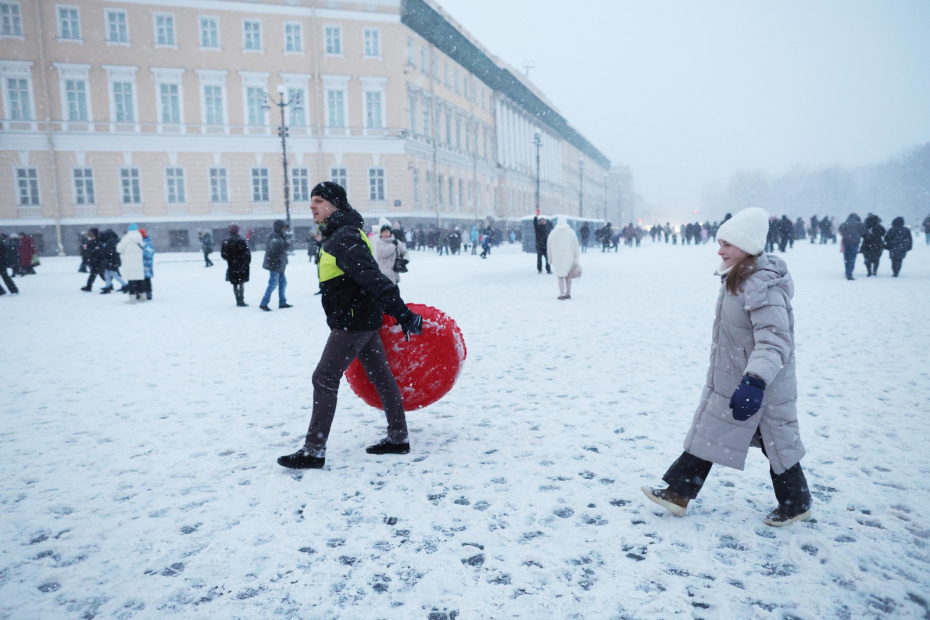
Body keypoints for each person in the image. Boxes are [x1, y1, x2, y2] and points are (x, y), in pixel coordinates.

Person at [642, 207, 812, 527]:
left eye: (726, 244)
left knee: (776, 442)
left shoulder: (761, 285)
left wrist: (756, 380)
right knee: (712, 430)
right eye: (719, 243)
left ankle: (797, 503)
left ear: (746, 247)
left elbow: (774, 341)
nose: (719, 250)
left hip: (762, 383)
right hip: (734, 377)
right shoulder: (738, 276)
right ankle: (679, 492)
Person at [277, 182, 423, 470]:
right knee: (380, 376)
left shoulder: (343, 236)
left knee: (324, 378)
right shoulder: (344, 232)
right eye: (312, 201)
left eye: (319, 200)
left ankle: (313, 450)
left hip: (353, 321)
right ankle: (398, 437)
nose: (312, 206)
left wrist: (402, 313)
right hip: (362, 317)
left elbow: (373, 277)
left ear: (335, 204)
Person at [258, 220, 291, 311]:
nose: (285, 230)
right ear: (279, 228)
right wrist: (286, 245)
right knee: (273, 284)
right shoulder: (274, 237)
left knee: (282, 283)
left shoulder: (281, 236)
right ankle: (264, 303)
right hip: (274, 264)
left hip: (280, 264)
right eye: (283, 228)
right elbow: (275, 251)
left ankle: (282, 302)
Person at [546, 219, 580, 300]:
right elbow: (576, 246)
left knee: (560, 276)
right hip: (569, 258)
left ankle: (562, 293)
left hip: (557, 258)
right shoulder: (571, 232)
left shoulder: (553, 233)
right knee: (568, 276)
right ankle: (568, 293)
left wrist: (550, 259)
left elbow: (549, 247)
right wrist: (576, 258)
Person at [221, 224, 251, 306]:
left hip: (231, 265)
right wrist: (246, 262)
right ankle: (241, 299)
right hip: (241, 264)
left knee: (234, 283)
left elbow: (223, 254)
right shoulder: (241, 240)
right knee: (241, 283)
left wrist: (230, 259)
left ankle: (237, 299)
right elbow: (246, 254)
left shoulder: (226, 241)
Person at [116, 224, 146, 302]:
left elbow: (119, 249)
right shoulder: (140, 238)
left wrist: (119, 243)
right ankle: (143, 296)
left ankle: (132, 298)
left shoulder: (126, 238)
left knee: (131, 281)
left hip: (128, 262)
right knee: (139, 280)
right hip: (138, 262)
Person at [98, 229, 128, 293]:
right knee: (108, 273)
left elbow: (109, 252)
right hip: (112, 260)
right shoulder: (114, 240)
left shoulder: (110, 242)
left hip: (111, 260)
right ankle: (108, 286)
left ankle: (125, 285)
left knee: (112, 274)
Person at [838, 213, 865, 280]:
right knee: (852, 258)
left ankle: (847, 271)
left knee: (846, 258)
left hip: (846, 242)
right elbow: (864, 232)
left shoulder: (844, 224)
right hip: (855, 243)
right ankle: (849, 273)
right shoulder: (859, 224)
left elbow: (840, 230)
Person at [80, 228, 104, 292]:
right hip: (93, 261)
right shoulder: (92, 240)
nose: (89, 234)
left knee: (96, 274)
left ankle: (89, 286)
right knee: (98, 274)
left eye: (91, 233)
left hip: (97, 261)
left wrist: (94, 256)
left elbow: (98, 251)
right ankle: (109, 285)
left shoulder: (97, 240)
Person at [140, 228, 154, 300]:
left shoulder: (145, 242)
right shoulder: (147, 241)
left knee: (146, 279)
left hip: (146, 263)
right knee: (145, 279)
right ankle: (146, 293)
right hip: (146, 263)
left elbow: (149, 252)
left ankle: (148, 293)